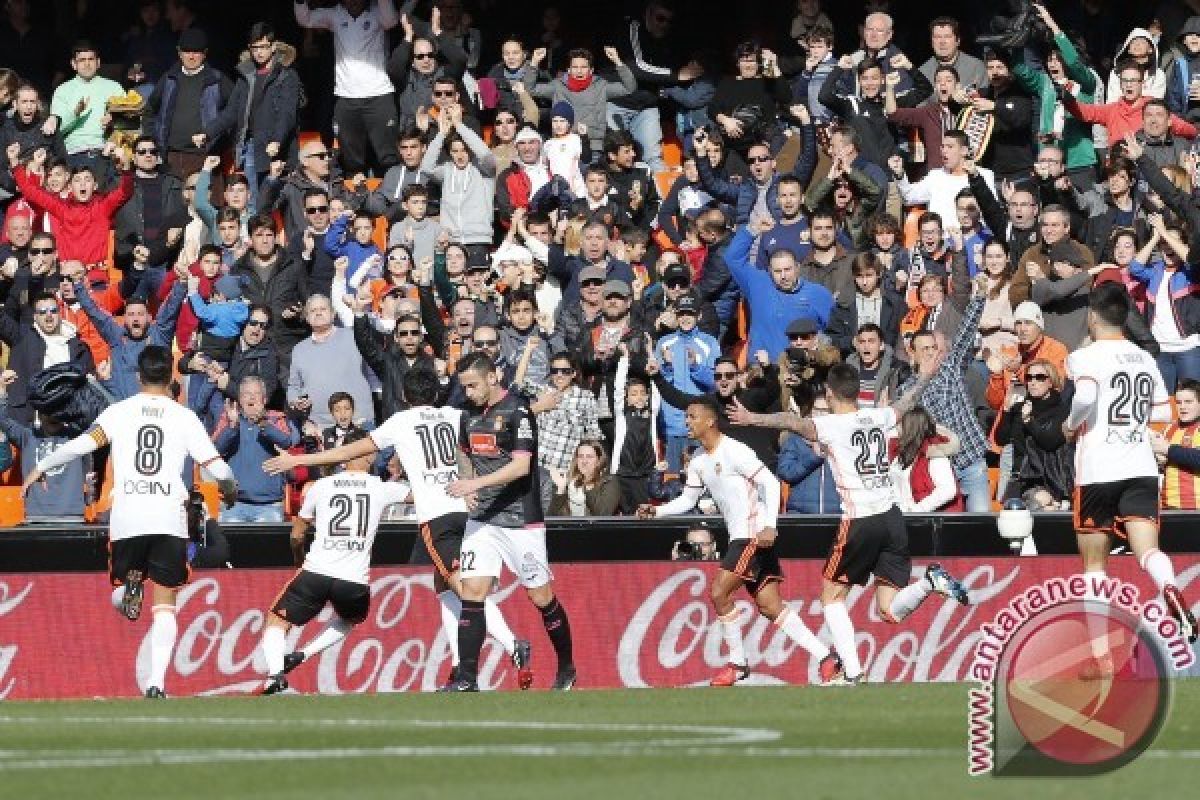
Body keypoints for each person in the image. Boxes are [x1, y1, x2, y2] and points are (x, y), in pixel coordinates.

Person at [264, 369, 530, 692]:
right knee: (444, 587)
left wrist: (299, 461)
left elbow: (348, 451)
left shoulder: (400, 423)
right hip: (464, 509)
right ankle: (461, 666)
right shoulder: (453, 414)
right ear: (436, 394)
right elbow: (493, 424)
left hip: (437, 516)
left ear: (404, 397)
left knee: (465, 591)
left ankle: (512, 642)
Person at [728, 362, 970, 684]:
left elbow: (791, 421)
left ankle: (854, 673)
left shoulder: (831, 425)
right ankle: (929, 582)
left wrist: (753, 418)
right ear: (858, 391)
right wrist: (926, 375)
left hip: (860, 520)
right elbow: (906, 403)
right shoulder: (877, 416)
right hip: (892, 519)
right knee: (889, 611)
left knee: (831, 597)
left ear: (829, 393)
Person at [20, 346, 237, 698]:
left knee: (121, 591)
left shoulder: (119, 412)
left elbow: (81, 445)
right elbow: (221, 470)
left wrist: (41, 466)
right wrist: (230, 490)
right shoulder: (184, 418)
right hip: (169, 517)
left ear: (139, 376)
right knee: (165, 604)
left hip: (128, 517)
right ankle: (156, 684)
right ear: (170, 376)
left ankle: (126, 593)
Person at [637, 397, 839, 687]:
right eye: (686, 418)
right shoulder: (698, 460)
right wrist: (656, 510)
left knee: (719, 592)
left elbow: (769, 482)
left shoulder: (735, 451)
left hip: (752, 535)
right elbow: (687, 500)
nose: (687, 422)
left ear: (710, 420)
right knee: (771, 606)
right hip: (744, 537)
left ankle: (738, 664)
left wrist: (770, 526)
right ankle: (827, 658)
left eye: (693, 417)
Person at [1063, 282, 1197, 646]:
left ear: (1092, 317)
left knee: (1094, 566)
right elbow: (1158, 411)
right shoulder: (1144, 358)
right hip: (1139, 467)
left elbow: (1087, 395)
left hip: (1098, 469)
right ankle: (1169, 587)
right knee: (1149, 550)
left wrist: (1072, 424)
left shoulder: (1084, 357)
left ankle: (1100, 654)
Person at [443, 352, 577, 692]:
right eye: (464, 387)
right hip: (483, 518)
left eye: (473, 386)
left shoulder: (518, 412)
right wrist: (466, 478)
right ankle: (467, 678)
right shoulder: (467, 416)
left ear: (492, 378)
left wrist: (473, 484)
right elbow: (463, 451)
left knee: (541, 597)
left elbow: (520, 468)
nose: (468, 393)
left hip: (521, 519)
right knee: (471, 592)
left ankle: (567, 667)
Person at [256, 429, 409, 695]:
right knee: (349, 620)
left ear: (343, 456)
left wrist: (298, 560)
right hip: (354, 580)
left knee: (276, 622)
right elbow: (422, 496)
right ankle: (302, 655)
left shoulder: (321, 487)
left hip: (316, 571)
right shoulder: (383, 488)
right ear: (370, 457)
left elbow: (297, 534)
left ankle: (275, 675)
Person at [293, 0, 401, 176]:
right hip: (346, 98)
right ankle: (354, 198)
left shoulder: (378, 13)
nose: (354, 2)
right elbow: (305, 20)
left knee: (387, 156)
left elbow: (391, 20)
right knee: (351, 159)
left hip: (379, 95)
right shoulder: (336, 15)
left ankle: (391, 198)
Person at [205, 22, 302, 202]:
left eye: (263, 47)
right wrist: (207, 132)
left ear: (273, 47)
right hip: (251, 147)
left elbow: (287, 115)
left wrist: (277, 141)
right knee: (253, 204)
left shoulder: (287, 76)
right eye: (254, 47)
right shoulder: (246, 76)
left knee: (277, 202)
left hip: (278, 150)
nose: (259, 52)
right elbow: (232, 111)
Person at [146, 28, 233, 185]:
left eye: (196, 52)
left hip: (206, 158)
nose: (191, 56)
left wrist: (222, 142)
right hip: (171, 157)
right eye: (187, 51)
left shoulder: (217, 80)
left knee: (204, 206)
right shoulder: (168, 79)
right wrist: (154, 141)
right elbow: (149, 110)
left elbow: (235, 111)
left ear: (205, 53)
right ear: (179, 52)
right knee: (172, 207)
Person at [212, 376, 297, 523]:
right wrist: (232, 427)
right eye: (246, 394)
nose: (251, 397)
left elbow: (286, 442)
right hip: (234, 503)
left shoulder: (277, 418)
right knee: (231, 545)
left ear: (264, 399)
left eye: (256, 393)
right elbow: (216, 449)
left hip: (269, 505)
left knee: (267, 546)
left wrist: (263, 423)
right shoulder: (229, 418)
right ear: (240, 400)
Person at [993, 358, 1074, 510]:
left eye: (1040, 377)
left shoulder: (1061, 410)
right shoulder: (1020, 407)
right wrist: (1006, 411)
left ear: (1051, 382)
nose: (1033, 382)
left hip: (1053, 479)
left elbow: (1050, 441)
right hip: (1022, 479)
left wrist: (1029, 420)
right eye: (1029, 378)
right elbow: (1000, 439)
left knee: (1043, 505)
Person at [49, 41, 125, 171]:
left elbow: (132, 122)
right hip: (74, 154)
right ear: (74, 64)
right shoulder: (62, 90)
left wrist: (114, 120)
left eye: (91, 59)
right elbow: (56, 131)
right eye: (82, 60)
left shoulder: (114, 87)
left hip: (107, 153)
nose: (87, 64)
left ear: (98, 62)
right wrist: (75, 113)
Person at [892, 406, 963, 512]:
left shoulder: (935, 455)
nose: (897, 429)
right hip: (905, 517)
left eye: (900, 424)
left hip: (932, 521)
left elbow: (948, 490)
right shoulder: (901, 453)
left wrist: (917, 510)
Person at [1154, 379, 1200, 510]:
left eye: (1188, 402)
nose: (1182, 407)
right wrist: (1157, 460)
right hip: (1169, 506)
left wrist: (1168, 450)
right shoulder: (1168, 429)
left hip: (1197, 508)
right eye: (1179, 402)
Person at [548, 440, 620, 516]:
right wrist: (561, 490)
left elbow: (603, 514)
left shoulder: (609, 481)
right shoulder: (565, 481)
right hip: (569, 527)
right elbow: (551, 517)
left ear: (599, 460)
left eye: (589, 457)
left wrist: (589, 484)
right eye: (581, 456)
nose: (584, 461)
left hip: (593, 528)